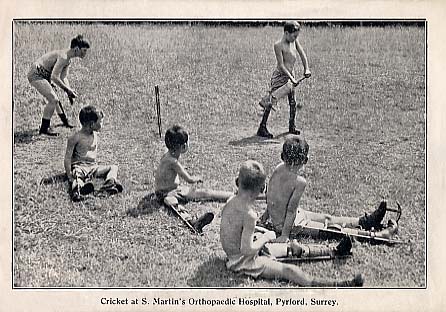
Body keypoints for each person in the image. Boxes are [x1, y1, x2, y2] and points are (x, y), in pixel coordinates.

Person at [220, 160, 364, 287]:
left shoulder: (231, 200)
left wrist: (259, 233)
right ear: (260, 190)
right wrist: (267, 237)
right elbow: (247, 250)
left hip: (237, 253)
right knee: (287, 270)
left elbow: (234, 231)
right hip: (241, 262)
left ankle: (333, 251)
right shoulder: (249, 215)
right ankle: (337, 284)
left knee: (288, 248)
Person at [260, 134, 398, 243]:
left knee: (327, 217)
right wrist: (284, 235)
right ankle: (375, 235)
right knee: (331, 230)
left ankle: (366, 222)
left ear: (282, 156)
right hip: (291, 225)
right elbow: (290, 211)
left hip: (285, 218)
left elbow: (271, 195)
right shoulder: (299, 182)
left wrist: (265, 216)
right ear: (305, 160)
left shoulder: (278, 168)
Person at [154, 125, 235, 233]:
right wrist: (196, 178)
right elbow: (189, 179)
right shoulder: (173, 162)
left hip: (176, 189)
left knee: (203, 193)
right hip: (165, 193)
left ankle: (233, 195)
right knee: (174, 205)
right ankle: (192, 222)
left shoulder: (168, 155)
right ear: (182, 147)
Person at [257, 21, 311, 139]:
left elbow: (302, 55)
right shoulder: (278, 45)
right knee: (270, 102)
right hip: (280, 77)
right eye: (294, 36)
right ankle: (262, 127)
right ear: (286, 33)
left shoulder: (294, 42)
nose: (295, 38)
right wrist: (292, 79)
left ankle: (292, 127)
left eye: (297, 36)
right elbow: (281, 65)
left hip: (290, 77)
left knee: (293, 103)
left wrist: (306, 68)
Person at [28, 34, 90, 136]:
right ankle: (44, 129)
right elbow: (54, 77)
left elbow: (63, 77)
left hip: (44, 75)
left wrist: (69, 90)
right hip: (37, 74)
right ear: (76, 48)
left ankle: (65, 123)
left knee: (55, 99)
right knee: (53, 99)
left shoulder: (68, 59)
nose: (85, 53)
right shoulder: (63, 57)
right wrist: (67, 90)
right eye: (84, 50)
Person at [64, 105, 123, 202]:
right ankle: (78, 190)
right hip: (80, 167)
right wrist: (69, 175)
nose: (102, 124)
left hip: (93, 167)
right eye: (100, 122)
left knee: (113, 167)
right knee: (77, 176)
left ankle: (109, 183)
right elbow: (67, 158)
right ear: (91, 124)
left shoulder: (95, 134)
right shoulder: (75, 138)